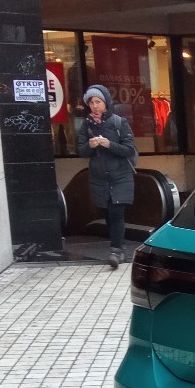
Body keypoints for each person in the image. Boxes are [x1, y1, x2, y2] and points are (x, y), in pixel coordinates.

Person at [77, 85, 137, 269]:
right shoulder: (86, 125)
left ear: (106, 103)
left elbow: (129, 149)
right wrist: (90, 146)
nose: (95, 106)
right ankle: (119, 247)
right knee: (108, 214)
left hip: (120, 176)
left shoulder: (119, 122)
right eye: (91, 103)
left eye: (98, 102)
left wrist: (109, 144)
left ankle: (115, 251)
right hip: (100, 179)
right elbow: (81, 151)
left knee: (116, 212)